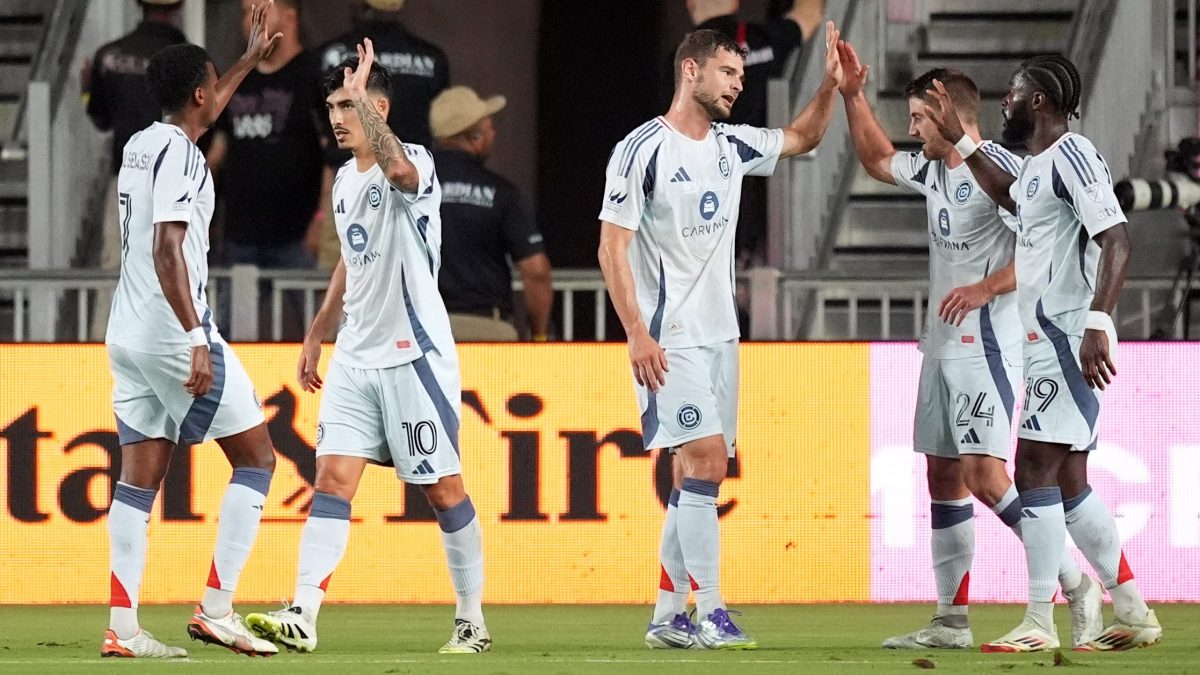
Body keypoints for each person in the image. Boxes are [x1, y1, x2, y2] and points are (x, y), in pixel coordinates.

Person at [837, 51, 1104, 650]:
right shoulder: (934, 170)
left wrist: (985, 287)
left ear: (948, 113)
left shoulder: (1004, 167)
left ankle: (1075, 583)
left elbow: (1043, 246)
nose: (911, 129)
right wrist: (852, 94)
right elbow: (878, 160)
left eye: (918, 118)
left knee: (986, 475)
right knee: (942, 476)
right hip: (941, 347)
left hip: (988, 345)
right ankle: (950, 621)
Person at [597, 23, 843, 650]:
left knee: (692, 478)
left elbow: (804, 136)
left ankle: (665, 614)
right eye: (727, 73)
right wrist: (635, 333)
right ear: (691, 71)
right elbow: (611, 247)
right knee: (705, 462)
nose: (738, 84)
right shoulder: (641, 149)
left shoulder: (733, 145)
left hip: (719, 340)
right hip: (665, 338)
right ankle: (709, 609)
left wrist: (834, 85)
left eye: (740, 74)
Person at [244, 41, 489, 655]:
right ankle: (303, 613)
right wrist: (317, 332)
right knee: (330, 480)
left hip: (413, 356)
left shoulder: (416, 165)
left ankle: (471, 620)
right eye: (331, 105)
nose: (336, 116)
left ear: (378, 107)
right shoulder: (346, 183)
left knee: (444, 491)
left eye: (348, 104)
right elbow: (349, 264)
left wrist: (366, 107)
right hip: (356, 357)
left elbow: (400, 172)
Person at [924, 54, 1162, 652]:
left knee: (1031, 468)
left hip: (1066, 338)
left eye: (1014, 92)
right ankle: (1132, 609)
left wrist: (1098, 322)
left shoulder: (1074, 154)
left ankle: (1039, 618)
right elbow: (1011, 193)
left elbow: (1117, 238)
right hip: (1045, 341)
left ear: (1038, 101)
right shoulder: (1036, 169)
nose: (1005, 101)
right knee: (1071, 480)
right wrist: (963, 141)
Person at [100, 3, 283, 659]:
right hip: (174, 331)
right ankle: (216, 607)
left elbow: (200, 112)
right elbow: (167, 246)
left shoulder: (146, 142)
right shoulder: (179, 153)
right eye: (215, 84)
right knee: (259, 458)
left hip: (125, 331)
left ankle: (122, 627)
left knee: (139, 477)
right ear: (199, 94)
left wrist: (243, 60)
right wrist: (196, 336)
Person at [206, 0, 325, 340]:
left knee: (319, 336)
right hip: (240, 235)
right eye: (245, 12)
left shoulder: (313, 74)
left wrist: (321, 223)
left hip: (296, 236)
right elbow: (219, 150)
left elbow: (335, 158)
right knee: (224, 336)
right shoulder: (239, 77)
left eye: (260, 9)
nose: (250, 19)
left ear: (289, 16)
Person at [315, 0, 450, 271]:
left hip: (350, 183)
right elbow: (441, 127)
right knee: (406, 271)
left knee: (342, 279)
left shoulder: (333, 54)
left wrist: (318, 215)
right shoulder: (432, 59)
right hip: (411, 187)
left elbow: (323, 133)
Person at [84, 0, 188, 338]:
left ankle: (104, 350)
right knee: (173, 270)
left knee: (113, 272)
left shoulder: (107, 57)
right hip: (174, 185)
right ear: (179, 7)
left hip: (125, 182)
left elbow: (99, 117)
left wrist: (86, 91)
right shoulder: (191, 61)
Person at [685, 0, 806, 266]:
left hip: (699, 204)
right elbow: (810, 15)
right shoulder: (763, 40)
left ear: (690, 4)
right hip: (754, 200)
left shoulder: (680, 60)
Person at [430, 85, 553, 342]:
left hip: (419, 331)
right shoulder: (502, 193)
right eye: (489, 128)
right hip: (486, 331)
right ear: (474, 138)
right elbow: (536, 271)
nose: (494, 133)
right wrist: (540, 335)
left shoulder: (408, 188)